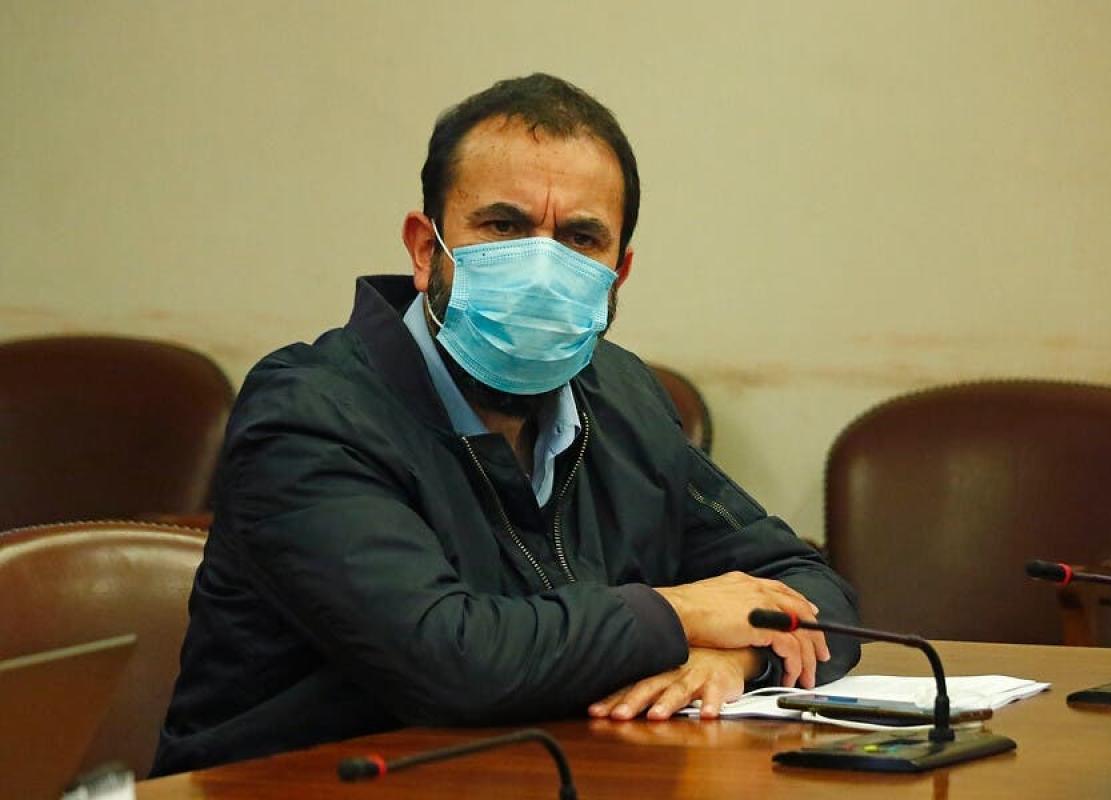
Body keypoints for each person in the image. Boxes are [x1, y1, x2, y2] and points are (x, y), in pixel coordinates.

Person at [151, 73, 861, 776]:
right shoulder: (308, 414)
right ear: (425, 248)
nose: (542, 269)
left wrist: (737, 656)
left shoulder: (622, 398)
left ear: (618, 275)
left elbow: (806, 587)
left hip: (540, 777)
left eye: (580, 238)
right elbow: (449, 659)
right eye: (504, 227)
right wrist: (680, 616)